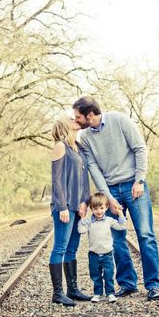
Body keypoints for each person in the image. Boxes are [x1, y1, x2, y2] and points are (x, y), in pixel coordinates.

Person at [73, 96, 159, 301]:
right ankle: (128, 283)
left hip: (134, 186)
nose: (76, 120)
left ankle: (153, 284)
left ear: (90, 115)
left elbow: (140, 149)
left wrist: (140, 180)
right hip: (111, 189)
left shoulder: (120, 120)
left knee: (145, 235)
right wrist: (107, 197)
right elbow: (93, 168)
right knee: (116, 239)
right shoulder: (85, 137)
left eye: (78, 117)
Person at [49, 113, 92, 307]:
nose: (75, 118)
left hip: (78, 206)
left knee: (72, 248)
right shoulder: (61, 146)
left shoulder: (79, 149)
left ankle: (72, 289)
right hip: (65, 207)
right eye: (70, 118)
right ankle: (57, 293)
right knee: (60, 247)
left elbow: (83, 180)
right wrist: (62, 206)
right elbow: (57, 180)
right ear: (64, 125)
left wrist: (85, 202)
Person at [78, 192, 126, 303]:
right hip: (93, 254)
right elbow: (81, 230)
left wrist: (120, 214)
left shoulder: (109, 220)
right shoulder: (89, 222)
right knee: (96, 276)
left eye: (101, 208)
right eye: (95, 208)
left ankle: (110, 293)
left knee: (109, 275)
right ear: (91, 209)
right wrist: (82, 219)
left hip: (107, 254)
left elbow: (122, 226)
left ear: (107, 207)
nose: (98, 211)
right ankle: (97, 294)